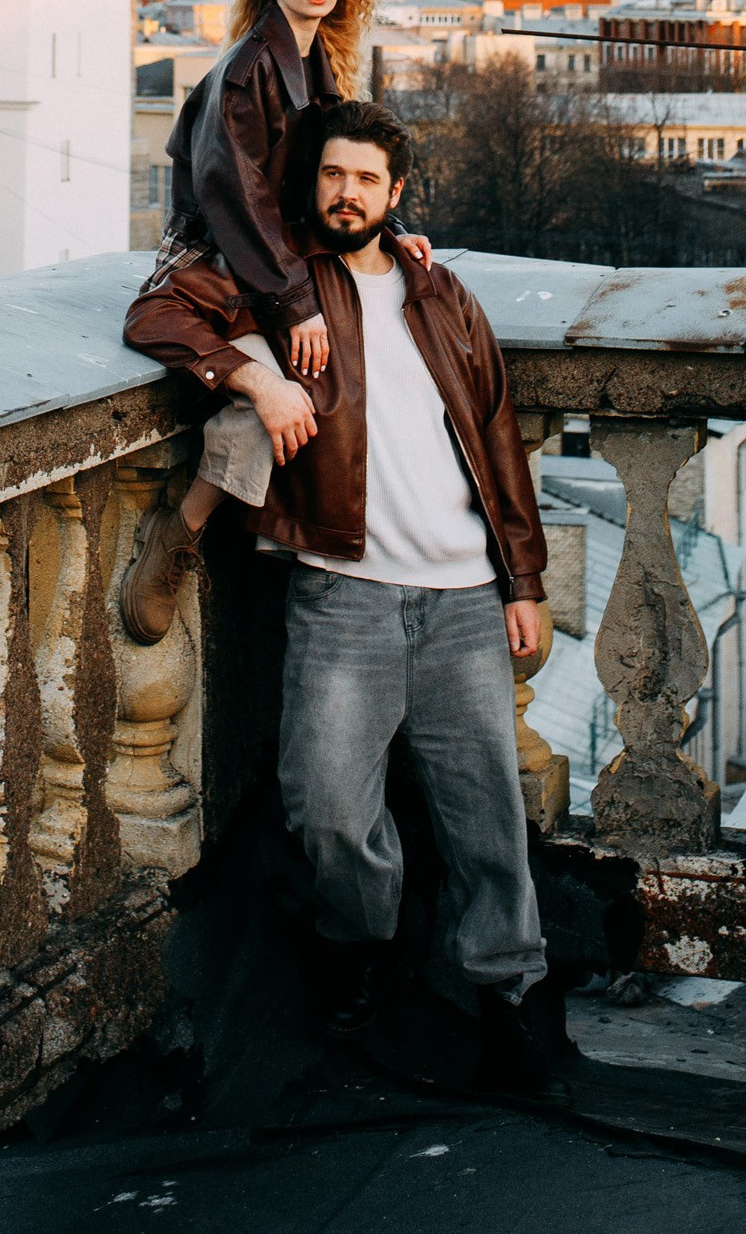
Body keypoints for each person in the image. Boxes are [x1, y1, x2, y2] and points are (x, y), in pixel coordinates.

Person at [127, 97, 553, 1098]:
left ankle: (517, 1012)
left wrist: (520, 581)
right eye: (330, 175)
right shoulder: (280, 288)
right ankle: (356, 960)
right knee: (324, 809)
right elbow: (157, 315)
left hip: (459, 597)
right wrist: (254, 382)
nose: (346, 193)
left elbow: (494, 434)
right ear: (308, 186)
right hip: (343, 595)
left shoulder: (438, 292)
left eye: (365, 178)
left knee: (488, 822)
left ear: (394, 192)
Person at [118, 0, 429, 646]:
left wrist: (385, 230)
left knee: (342, 389)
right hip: (213, 281)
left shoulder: (312, 62)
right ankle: (179, 532)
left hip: (258, 280)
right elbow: (237, 199)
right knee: (276, 404)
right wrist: (295, 307)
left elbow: (320, 182)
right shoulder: (248, 71)